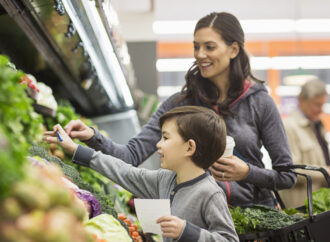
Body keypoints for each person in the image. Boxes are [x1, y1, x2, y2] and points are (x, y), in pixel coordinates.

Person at [61, 12, 296, 207]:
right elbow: (131, 156)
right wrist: (94, 137)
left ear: (233, 50)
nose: (200, 55)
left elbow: (287, 176)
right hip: (196, 221)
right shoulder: (179, 104)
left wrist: (247, 172)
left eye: (209, 47)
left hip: (254, 223)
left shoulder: (260, 103)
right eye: (196, 47)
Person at [44, 106, 239, 242]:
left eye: (165, 138)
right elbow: (125, 172)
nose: (158, 144)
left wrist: (186, 232)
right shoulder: (166, 179)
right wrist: (75, 149)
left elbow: (229, 239)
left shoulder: (209, 193)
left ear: (189, 147)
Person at [280, 79, 330, 208]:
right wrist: (326, 172)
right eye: (316, 104)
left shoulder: (317, 125)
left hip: (318, 203)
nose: (320, 110)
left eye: (322, 105)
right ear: (302, 100)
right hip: (300, 207)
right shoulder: (289, 127)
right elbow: (291, 171)